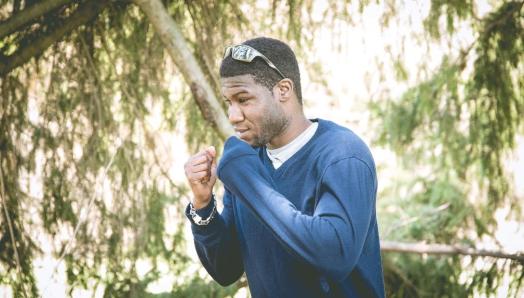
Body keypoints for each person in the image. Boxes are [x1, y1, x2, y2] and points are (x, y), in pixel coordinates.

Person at [184, 37, 385, 298]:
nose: (233, 116)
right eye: (228, 103)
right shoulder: (249, 161)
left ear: (283, 90)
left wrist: (245, 177)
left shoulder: (342, 155)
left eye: (243, 100)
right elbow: (226, 269)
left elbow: (334, 254)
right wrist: (203, 204)